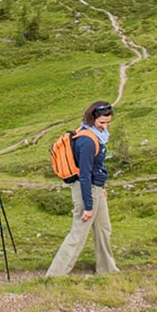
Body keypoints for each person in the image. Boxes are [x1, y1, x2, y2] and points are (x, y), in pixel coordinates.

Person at [46, 101, 119, 276]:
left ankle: (107, 270)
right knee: (78, 234)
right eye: (101, 122)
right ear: (92, 118)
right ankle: (55, 275)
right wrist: (88, 206)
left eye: (108, 122)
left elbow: (95, 168)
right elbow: (85, 175)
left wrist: (102, 188)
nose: (105, 126)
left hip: (96, 189)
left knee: (103, 229)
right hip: (87, 190)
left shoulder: (95, 135)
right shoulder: (87, 141)